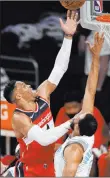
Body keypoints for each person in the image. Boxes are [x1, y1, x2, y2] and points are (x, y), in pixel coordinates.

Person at [3, 10, 78, 177]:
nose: (29, 85)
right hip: (31, 170)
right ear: (18, 97)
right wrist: (71, 123)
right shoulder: (19, 117)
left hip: (47, 165)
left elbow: (60, 68)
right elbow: (44, 139)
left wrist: (68, 37)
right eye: (23, 86)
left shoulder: (42, 94)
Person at [54, 32, 104, 177]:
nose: (75, 116)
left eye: (77, 118)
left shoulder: (74, 149)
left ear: (77, 125)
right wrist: (95, 57)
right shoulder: (86, 134)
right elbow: (90, 89)